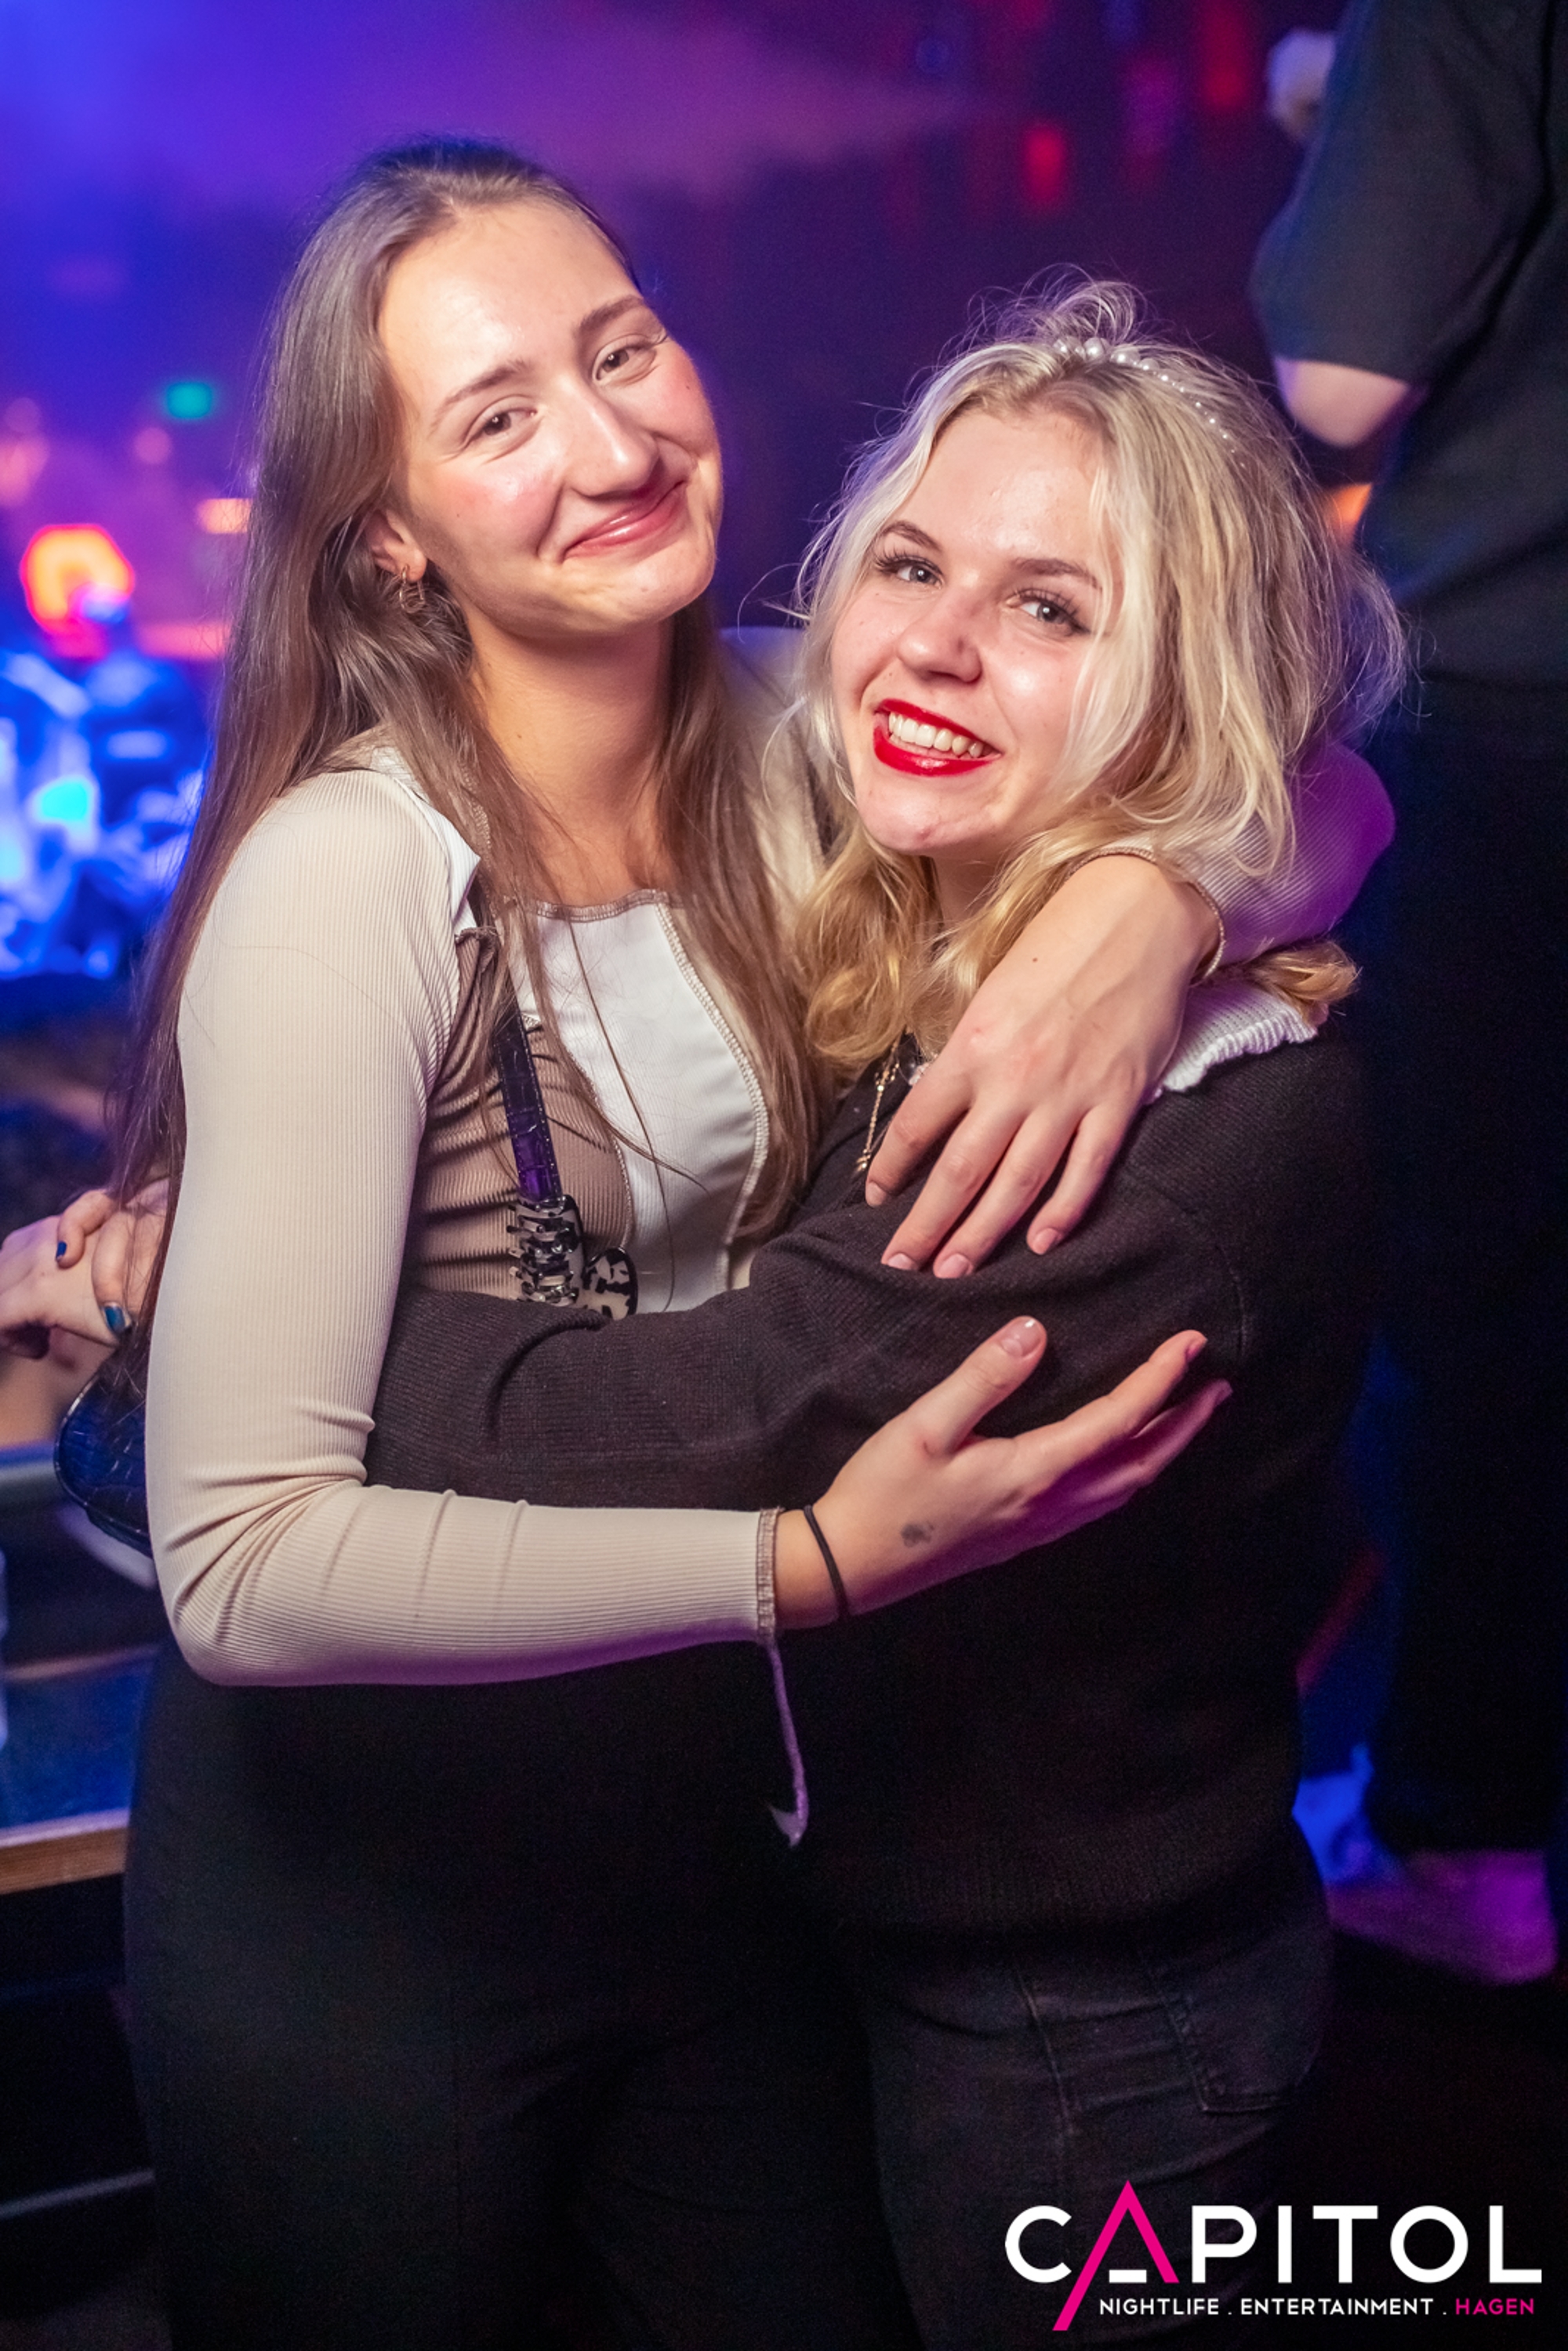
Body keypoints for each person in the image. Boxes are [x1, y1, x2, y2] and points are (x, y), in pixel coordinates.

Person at [1, 145, 1388, 2349]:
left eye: (622, 349)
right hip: (375, 1884)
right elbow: (251, 1567)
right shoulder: (358, 873)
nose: (611, 440)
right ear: (388, 534)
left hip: (725, 1839)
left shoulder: (804, 733)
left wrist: (1161, 902)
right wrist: (802, 1564)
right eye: (499, 414)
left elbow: (1279, 758)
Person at [1252, 0, 1568, 1984]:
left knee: (1475, 1293)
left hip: (1524, 705)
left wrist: (1337, 119)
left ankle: (1458, 1841)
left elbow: (1343, 370)